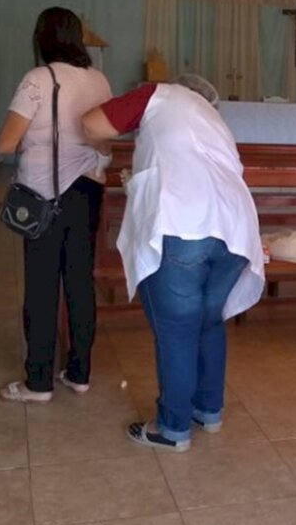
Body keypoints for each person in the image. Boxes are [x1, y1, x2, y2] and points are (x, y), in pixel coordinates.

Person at [81, 74, 264, 452]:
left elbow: (91, 122)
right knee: (209, 322)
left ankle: (172, 428)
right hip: (235, 226)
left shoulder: (158, 95)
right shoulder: (212, 118)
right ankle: (208, 411)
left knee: (177, 329)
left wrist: (103, 151)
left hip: (184, 221)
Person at [0, 7, 113, 403]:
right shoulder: (99, 80)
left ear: (42, 38)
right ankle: (79, 373)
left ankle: (39, 382)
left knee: (42, 287)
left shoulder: (37, 79)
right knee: (80, 282)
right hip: (89, 189)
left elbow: (5, 143)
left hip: (44, 195)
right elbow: (105, 135)